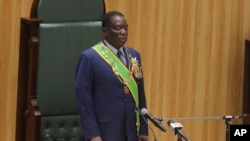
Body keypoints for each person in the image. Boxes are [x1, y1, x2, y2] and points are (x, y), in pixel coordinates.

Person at [75, 11, 150, 141]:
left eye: (126, 28)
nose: (123, 32)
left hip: (131, 130)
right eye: (118, 28)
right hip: (106, 131)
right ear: (105, 31)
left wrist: (144, 129)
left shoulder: (134, 55)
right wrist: (93, 134)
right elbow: (84, 101)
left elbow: (140, 95)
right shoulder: (90, 58)